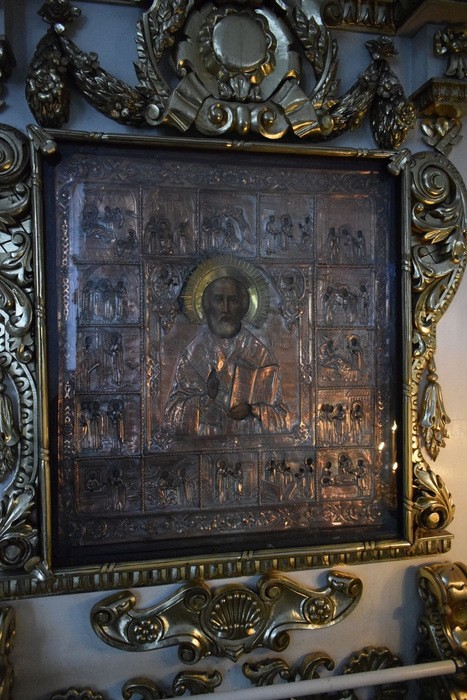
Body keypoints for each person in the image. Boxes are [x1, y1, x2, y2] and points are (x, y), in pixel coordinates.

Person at [165, 275, 288, 435]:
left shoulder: (259, 353)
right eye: (218, 300)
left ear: (243, 306)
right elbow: (172, 417)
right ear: (207, 306)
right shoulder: (193, 354)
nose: (225, 308)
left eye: (233, 301)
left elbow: (282, 418)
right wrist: (206, 399)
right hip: (206, 441)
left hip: (247, 441)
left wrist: (253, 410)